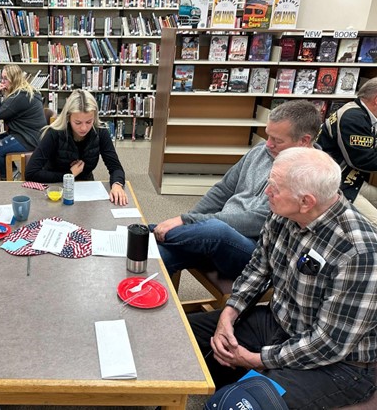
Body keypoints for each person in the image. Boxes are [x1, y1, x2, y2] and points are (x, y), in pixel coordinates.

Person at [189, 147, 377, 409]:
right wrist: (228, 315)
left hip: (337, 364)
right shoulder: (283, 213)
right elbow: (258, 269)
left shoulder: (359, 252)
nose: (266, 192)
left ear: (306, 201)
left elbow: (329, 343)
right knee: (181, 336)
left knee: (233, 404)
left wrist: (256, 359)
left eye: (275, 188)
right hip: (279, 323)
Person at [149, 100, 321, 280]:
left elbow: (256, 221)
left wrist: (188, 221)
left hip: (255, 253)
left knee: (217, 230)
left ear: (304, 141)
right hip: (213, 238)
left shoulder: (311, 176)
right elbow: (223, 190)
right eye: (268, 136)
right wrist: (192, 223)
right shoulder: (261, 151)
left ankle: (147, 231)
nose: (268, 144)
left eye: (277, 140)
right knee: (159, 256)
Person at [25, 89, 128, 205]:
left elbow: (115, 167)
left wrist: (117, 184)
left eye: (89, 122)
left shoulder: (100, 132)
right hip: (55, 188)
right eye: (78, 123)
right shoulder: (54, 133)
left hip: (86, 189)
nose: (84, 128)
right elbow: (31, 173)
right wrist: (69, 174)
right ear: (68, 117)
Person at [317, 77, 377, 224]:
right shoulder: (353, 118)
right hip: (336, 184)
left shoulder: (361, 113)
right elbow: (363, 161)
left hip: (352, 180)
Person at [0, 64, 46, 178]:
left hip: (30, 138)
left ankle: (7, 179)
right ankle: (12, 171)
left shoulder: (19, 96)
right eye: (2, 78)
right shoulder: (23, 91)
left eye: (5, 79)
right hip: (28, 133)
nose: (2, 82)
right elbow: (1, 110)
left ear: (14, 80)